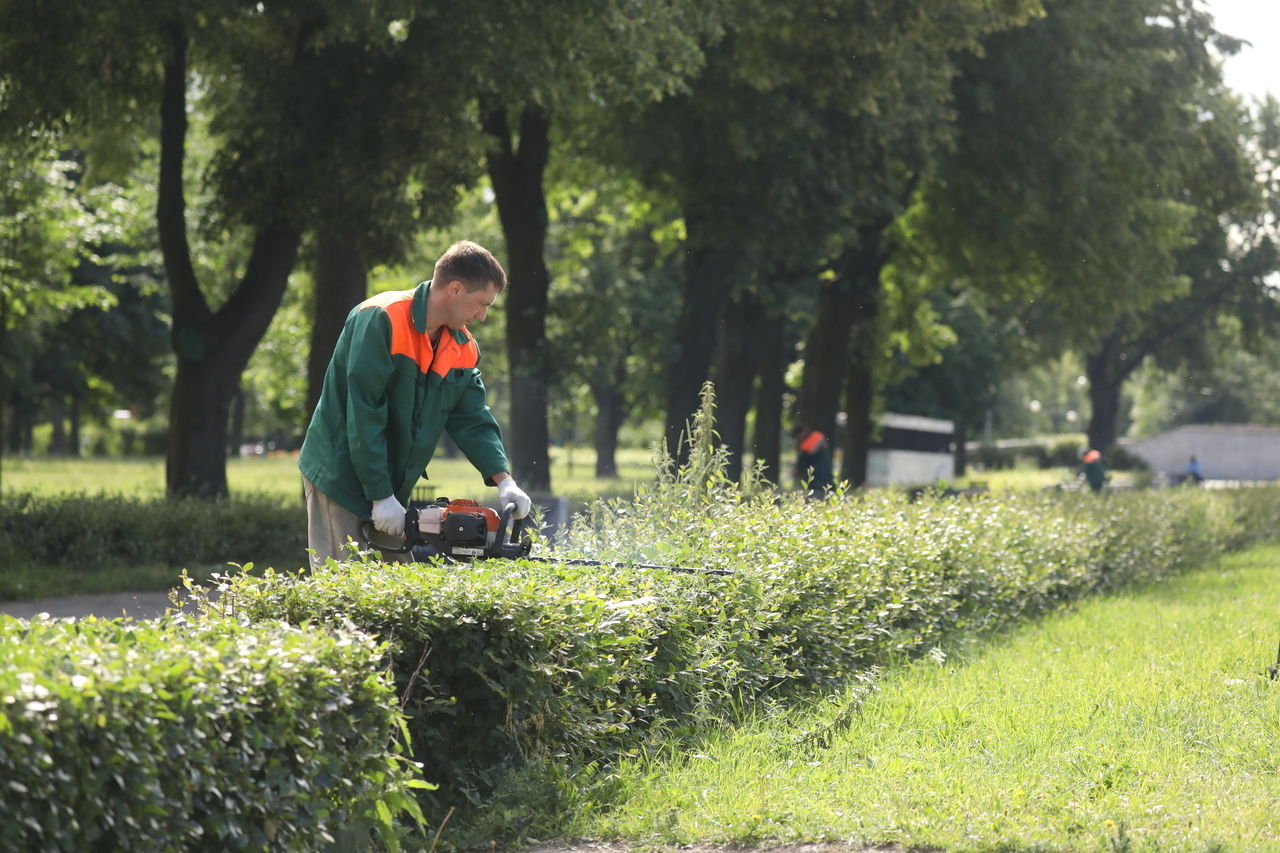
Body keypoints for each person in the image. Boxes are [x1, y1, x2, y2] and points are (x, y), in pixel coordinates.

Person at [297, 240, 531, 566]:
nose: (483, 315)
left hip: (391, 484)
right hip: (341, 473)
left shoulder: (463, 346)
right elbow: (365, 413)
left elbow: (473, 418)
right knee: (342, 586)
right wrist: (380, 495)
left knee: (397, 588)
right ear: (455, 289)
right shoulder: (380, 318)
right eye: (481, 303)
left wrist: (504, 480)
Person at [792, 424, 834, 498]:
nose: (798, 439)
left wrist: (797, 470)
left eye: (797, 437)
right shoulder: (817, 436)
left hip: (819, 477)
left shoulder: (814, 438)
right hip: (818, 477)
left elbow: (804, 459)